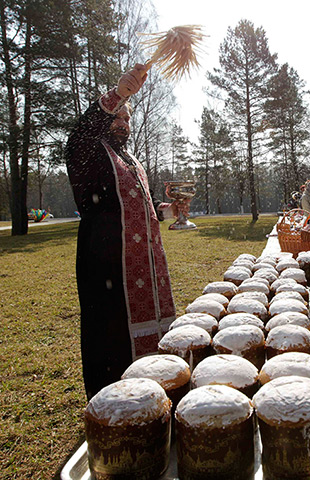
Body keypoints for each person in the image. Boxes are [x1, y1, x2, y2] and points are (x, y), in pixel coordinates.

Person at [66, 64, 183, 399]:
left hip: (146, 271)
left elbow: (134, 211)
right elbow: (80, 134)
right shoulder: (87, 152)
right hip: (110, 271)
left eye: (127, 118)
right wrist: (119, 94)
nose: (122, 123)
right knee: (114, 343)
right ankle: (119, 404)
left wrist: (168, 212)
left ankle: (153, 395)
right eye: (117, 115)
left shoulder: (130, 159)